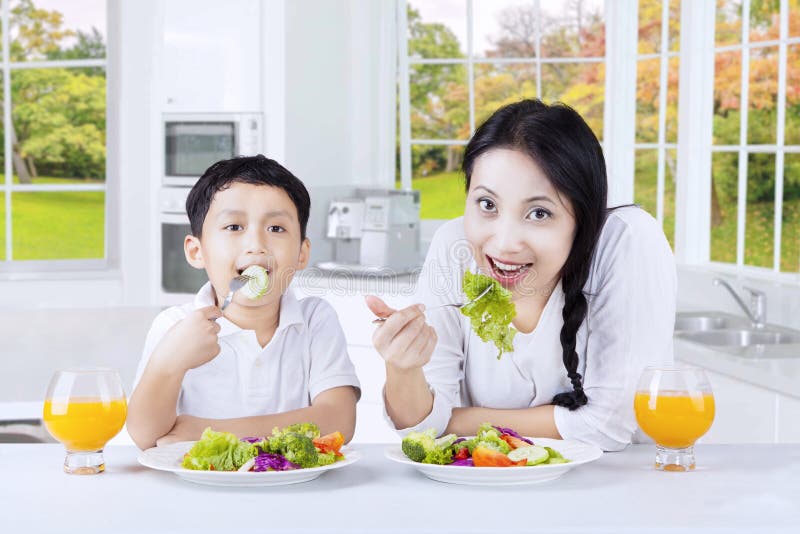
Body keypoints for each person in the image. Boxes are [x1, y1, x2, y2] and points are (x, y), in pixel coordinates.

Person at [366, 99, 676, 451]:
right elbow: (420, 430)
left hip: (611, 488)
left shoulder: (625, 239)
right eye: (487, 205)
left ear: (584, 215)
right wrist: (402, 367)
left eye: (539, 213)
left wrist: (451, 420)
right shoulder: (454, 245)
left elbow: (608, 426)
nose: (504, 243)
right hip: (485, 487)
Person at [128, 155, 360, 449]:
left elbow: (339, 419)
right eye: (234, 227)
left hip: (294, 490)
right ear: (197, 251)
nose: (256, 245)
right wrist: (167, 365)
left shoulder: (315, 319)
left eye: (276, 229)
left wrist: (209, 432)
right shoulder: (174, 326)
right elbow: (145, 436)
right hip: (199, 491)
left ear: (302, 253)